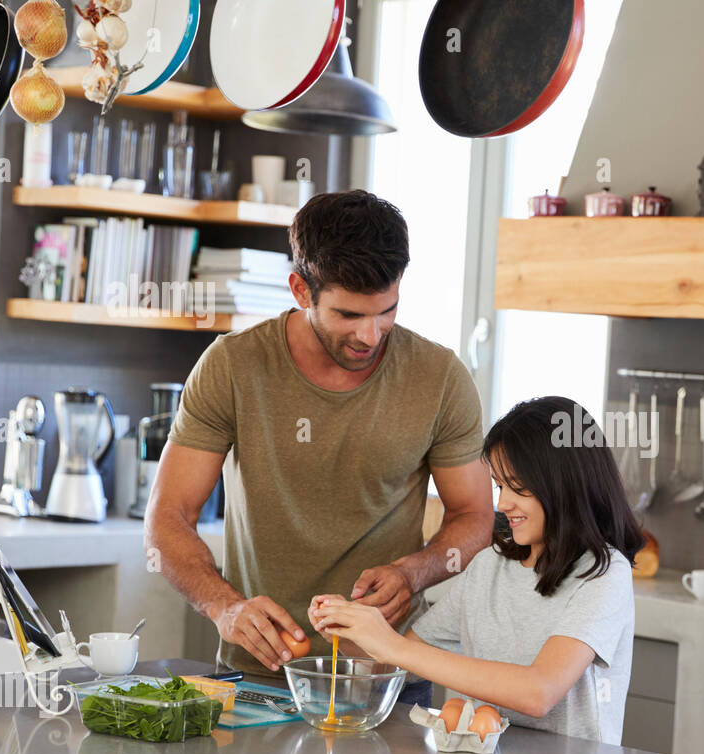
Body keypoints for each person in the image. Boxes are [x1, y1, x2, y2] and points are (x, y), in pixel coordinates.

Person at [147, 190, 495, 707]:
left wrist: (414, 572)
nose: (370, 335)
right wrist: (225, 608)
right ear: (299, 290)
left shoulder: (440, 378)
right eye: (348, 314)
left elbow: (474, 516)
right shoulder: (232, 367)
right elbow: (168, 518)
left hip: (390, 680)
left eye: (386, 312)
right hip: (260, 680)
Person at [309, 396, 645, 744]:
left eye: (520, 488)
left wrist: (390, 644)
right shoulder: (489, 567)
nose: (503, 504)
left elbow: (539, 692)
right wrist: (349, 634)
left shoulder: (604, 575)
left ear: (567, 484)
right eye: (500, 485)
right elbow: (397, 668)